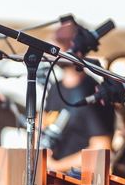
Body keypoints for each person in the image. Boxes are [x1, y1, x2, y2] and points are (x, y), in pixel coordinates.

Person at [42, 20, 115, 172]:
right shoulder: (56, 88)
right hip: (53, 180)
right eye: (54, 40)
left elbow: (101, 148)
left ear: (79, 46)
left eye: (61, 41)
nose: (54, 47)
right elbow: (45, 121)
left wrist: (56, 166)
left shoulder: (94, 91)